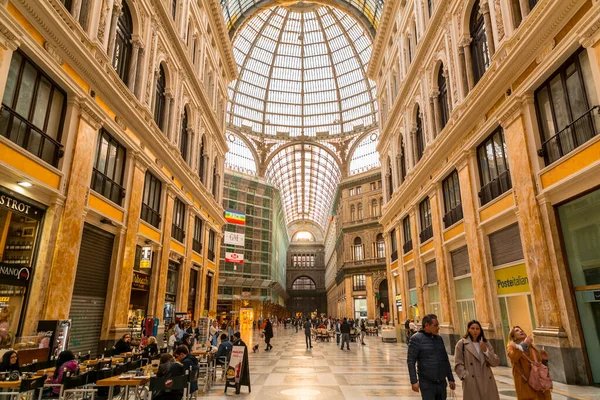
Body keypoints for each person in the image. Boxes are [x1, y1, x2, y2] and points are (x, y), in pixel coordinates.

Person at [407, 314, 456, 400]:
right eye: (435, 325)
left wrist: (450, 378)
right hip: (427, 383)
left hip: (441, 382)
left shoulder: (439, 339)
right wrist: (414, 381)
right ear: (427, 326)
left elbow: (445, 359)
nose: (438, 328)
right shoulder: (416, 339)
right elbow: (411, 361)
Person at [454, 320, 500, 400]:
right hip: (472, 381)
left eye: (477, 329)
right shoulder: (462, 344)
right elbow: (458, 363)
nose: (475, 331)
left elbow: (495, 362)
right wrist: (465, 376)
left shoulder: (486, 343)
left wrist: (486, 351)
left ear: (480, 330)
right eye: (472, 328)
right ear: (468, 329)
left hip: (487, 381)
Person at [507, 326, 551, 400]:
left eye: (522, 330)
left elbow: (541, 367)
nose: (521, 331)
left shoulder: (532, 348)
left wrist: (544, 360)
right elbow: (513, 357)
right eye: (517, 331)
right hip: (525, 385)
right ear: (514, 337)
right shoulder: (512, 348)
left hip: (539, 385)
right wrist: (524, 344)